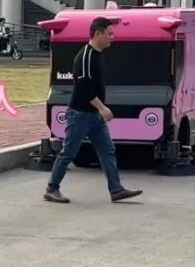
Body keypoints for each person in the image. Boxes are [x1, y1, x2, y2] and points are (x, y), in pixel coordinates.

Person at [45, 17, 142, 204]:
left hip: (94, 116)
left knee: (107, 150)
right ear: (97, 33)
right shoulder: (85, 57)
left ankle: (116, 189)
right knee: (68, 152)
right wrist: (102, 108)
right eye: (109, 34)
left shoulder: (98, 55)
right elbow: (84, 88)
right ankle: (52, 188)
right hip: (80, 114)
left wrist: (99, 110)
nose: (112, 38)